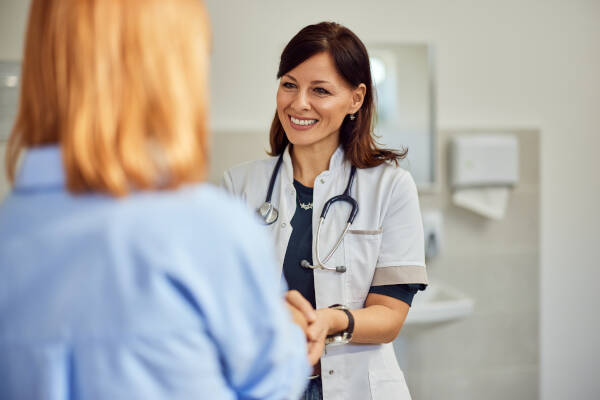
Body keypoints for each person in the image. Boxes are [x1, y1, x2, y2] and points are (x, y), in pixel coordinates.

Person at [0, 1, 312, 399]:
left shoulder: (10, 230)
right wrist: (289, 338)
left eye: (319, 90)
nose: (300, 103)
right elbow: (269, 386)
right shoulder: (206, 229)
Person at [223, 22, 429, 400]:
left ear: (355, 98)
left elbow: (389, 316)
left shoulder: (390, 188)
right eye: (289, 84)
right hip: (266, 384)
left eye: (320, 90)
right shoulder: (239, 187)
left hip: (356, 387)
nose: (298, 103)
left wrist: (328, 321)